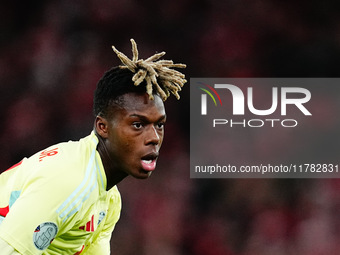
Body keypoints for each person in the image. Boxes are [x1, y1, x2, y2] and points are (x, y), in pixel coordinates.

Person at [0, 39, 187, 255]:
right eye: (138, 124)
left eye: (160, 125)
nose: (154, 137)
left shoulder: (108, 200)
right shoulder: (70, 181)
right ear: (103, 127)